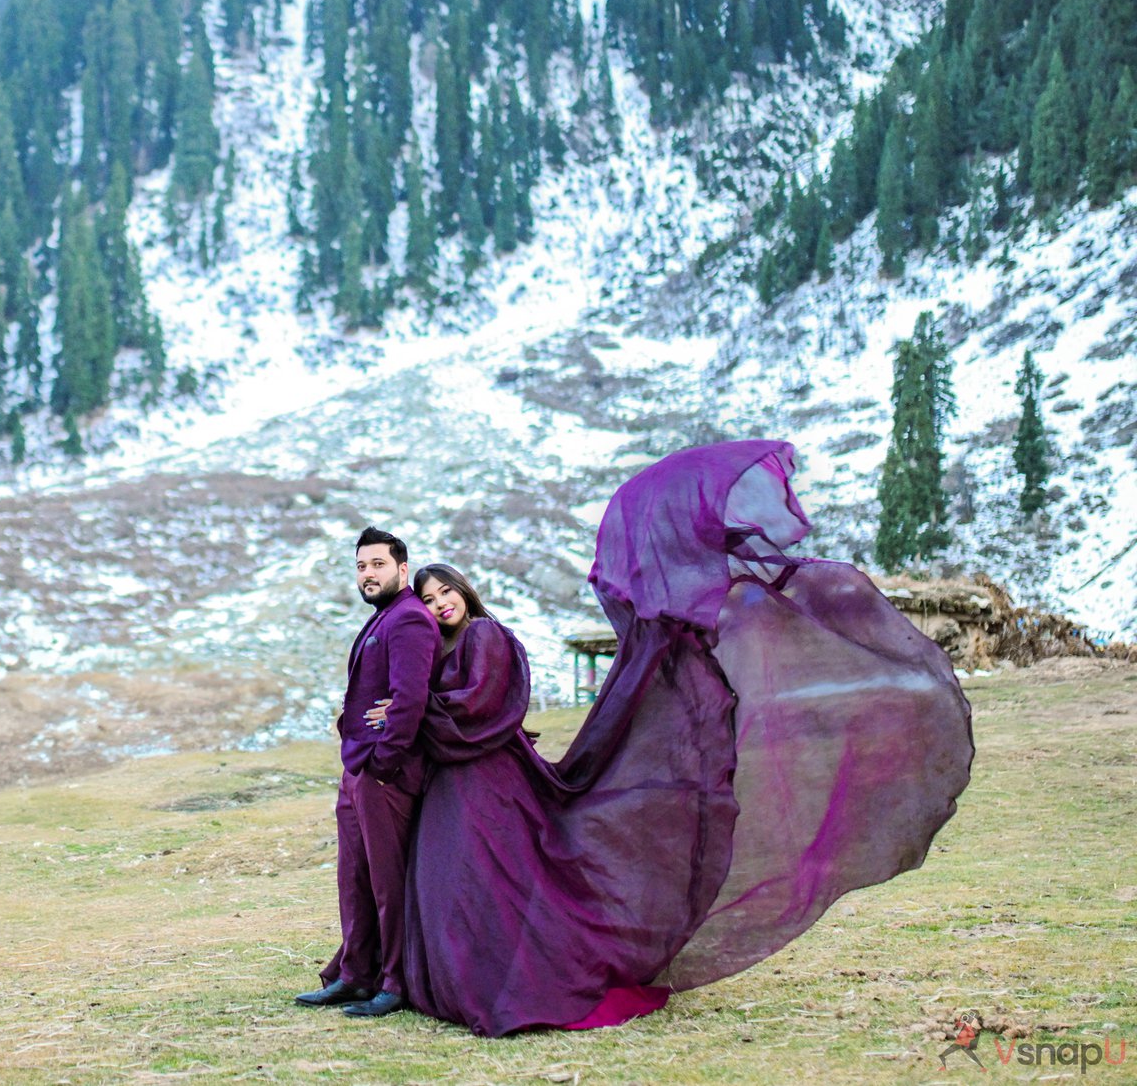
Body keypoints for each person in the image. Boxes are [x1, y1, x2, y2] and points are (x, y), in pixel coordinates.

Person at [339, 441, 974, 1036]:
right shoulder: (444, 642)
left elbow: (481, 705)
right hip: (456, 781)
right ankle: (434, 978)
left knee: (485, 879)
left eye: (446, 590)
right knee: (456, 883)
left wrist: (410, 713)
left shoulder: (485, 636)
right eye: (429, 596)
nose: (440, 602)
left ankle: (504, 982)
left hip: (487, 781)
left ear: (465, 591)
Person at [294, 527, 440, 1018]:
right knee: (353, 877)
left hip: (384, 773)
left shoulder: (409, 620)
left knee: (386, 880)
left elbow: (411, 700)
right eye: (361, 566)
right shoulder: (383, 618)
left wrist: (382, 765)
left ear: (402, 570)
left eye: (377, 565)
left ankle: (395, 982)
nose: (368, 574)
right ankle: (355, 975)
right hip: (357, 769)